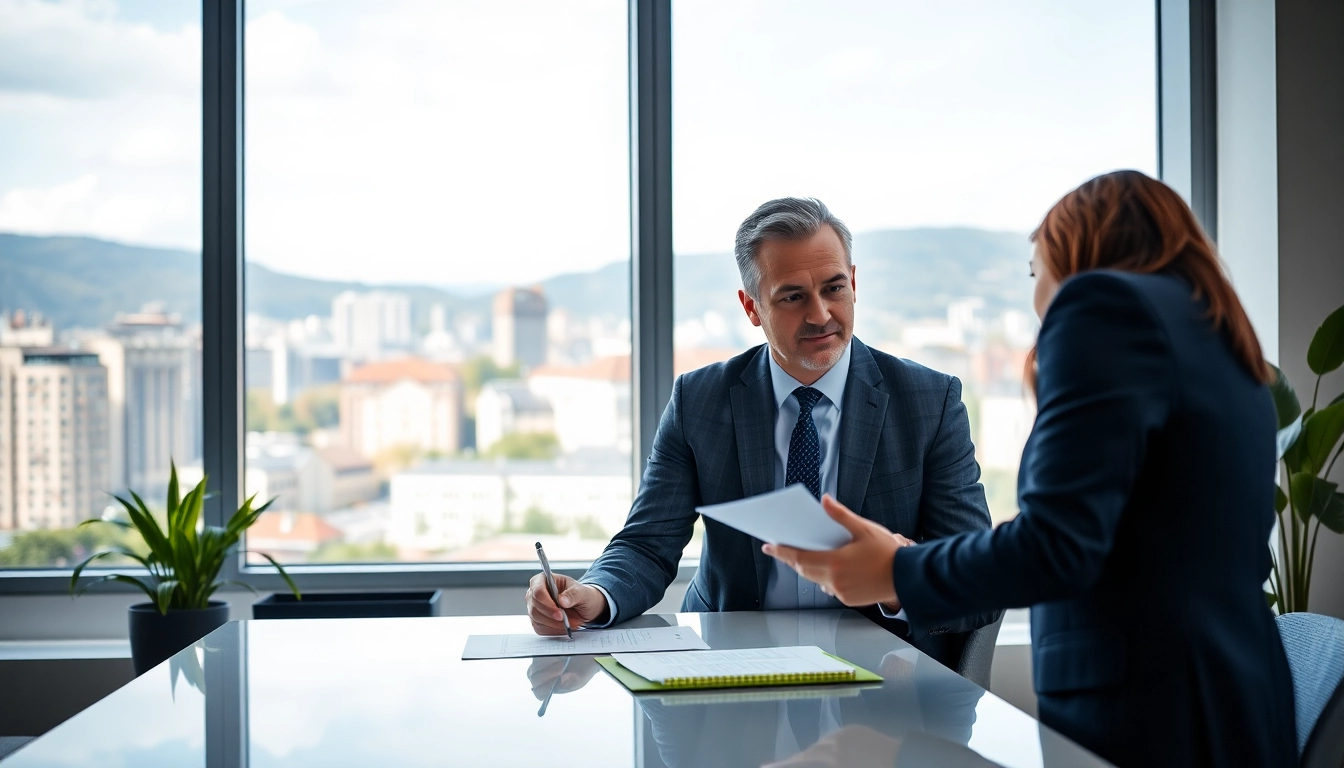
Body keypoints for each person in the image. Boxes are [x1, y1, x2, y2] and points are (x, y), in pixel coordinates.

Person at [764, 171, 1298, 767]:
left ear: (1075, 252)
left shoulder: (1103, 304)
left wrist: (895, 570)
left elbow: (1057, 543)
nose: (1038, 293)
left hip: (1156, 711)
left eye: (1034, 271)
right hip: (1238, 702)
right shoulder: (1222, 337)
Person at [525, 197, 1000, 667]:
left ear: (854, 282)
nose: (820, 314)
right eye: (793, 297)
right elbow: (647, 543)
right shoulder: (700, 400)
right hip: (731, 667)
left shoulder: (927, 401)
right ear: (751, 307)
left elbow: (979, 586)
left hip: (885, 680)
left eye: (834, 289)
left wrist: (898, 580)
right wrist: (594, 593)